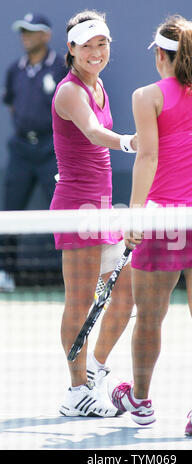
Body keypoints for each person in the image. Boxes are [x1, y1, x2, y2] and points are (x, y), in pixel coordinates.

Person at [108, 15, 192, 436]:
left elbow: (147, 157)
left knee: (149, 317)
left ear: (161, 56)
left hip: (164, 220)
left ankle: (142, 402)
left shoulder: (146, 96)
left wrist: (135, 213)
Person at [50, 9, 136, 417]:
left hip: (101, 209)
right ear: (71, 49)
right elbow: (92, 132)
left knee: (127, 294)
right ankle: (74, 392)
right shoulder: (70, 92)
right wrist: (129, 142)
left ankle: (94, 373)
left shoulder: (99, 85)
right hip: (76, 209)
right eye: (87, 45)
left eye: (102, 43)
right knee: (81, 301)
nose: (96, 51)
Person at [0, 13, 67, 291]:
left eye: (32, 31)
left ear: (46, 35)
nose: (26, 36)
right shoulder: (14, 69)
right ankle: (5, 272)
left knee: (63, 212)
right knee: (10, 211)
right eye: (23, 31)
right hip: (21, 150)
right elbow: (13, 105)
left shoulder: (62, 68)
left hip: (52, 148)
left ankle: (74, 273)